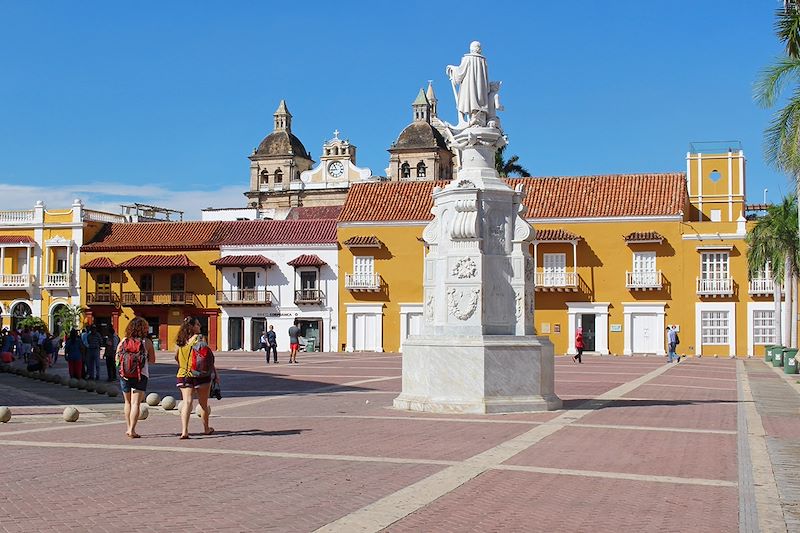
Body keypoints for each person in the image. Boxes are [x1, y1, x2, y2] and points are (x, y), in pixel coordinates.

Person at [175, 316, 215, 439]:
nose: (200, 326)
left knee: (186, 402)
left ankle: (184, 431)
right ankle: (206, 428)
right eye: (197, 324)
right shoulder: (200, 339)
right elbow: (207, 358)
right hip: (200, 375)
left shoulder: (180, 341)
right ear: (192, 327)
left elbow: (176, 357)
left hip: (183, 374)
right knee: (203, 404)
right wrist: (214, 373)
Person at [116, 317, 156, 439]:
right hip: (141, 375)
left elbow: (117, 358)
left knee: (127, 402)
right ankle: (132, 430)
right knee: (135, 403)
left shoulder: (124, 340)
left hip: (125, 375)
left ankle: (128, 427)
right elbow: (153, 361)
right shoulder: (147, 342)